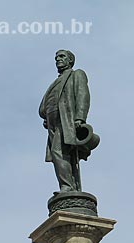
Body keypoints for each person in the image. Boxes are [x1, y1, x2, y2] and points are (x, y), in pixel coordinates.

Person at [39, 50, 90, 192]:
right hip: (52, 123)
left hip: (66, 121)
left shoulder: (76, 74)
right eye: (56, 57)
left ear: (70, 61)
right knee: (61, 155)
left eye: (62, 56)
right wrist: (46, 116)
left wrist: (80, 118)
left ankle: (67, 186)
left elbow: (83, 96)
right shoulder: (56, 82)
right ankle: (71, 186)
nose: (58, 59)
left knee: (59, 151)